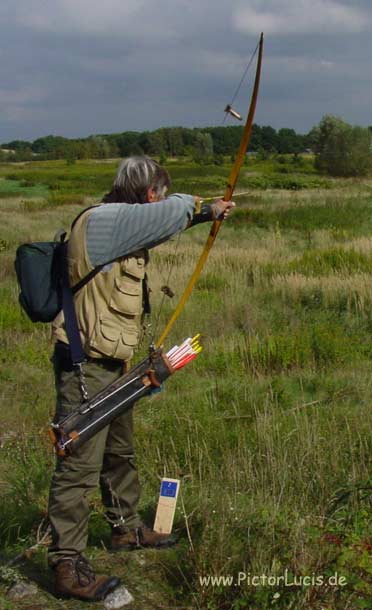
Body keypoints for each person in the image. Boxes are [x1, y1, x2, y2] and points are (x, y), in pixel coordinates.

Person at [47, 156, 235, 601]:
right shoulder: (103, 221)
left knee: (119, 452)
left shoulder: (121, 222)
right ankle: (66, 565)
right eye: (161, 195)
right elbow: (166, 216)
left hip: (112, 362)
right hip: (84, 365)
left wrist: (205, 214)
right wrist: (201, 206)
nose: (164, 202)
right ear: (150, 194)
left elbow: (158, 223)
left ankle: (125, 530)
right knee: (78, 465)